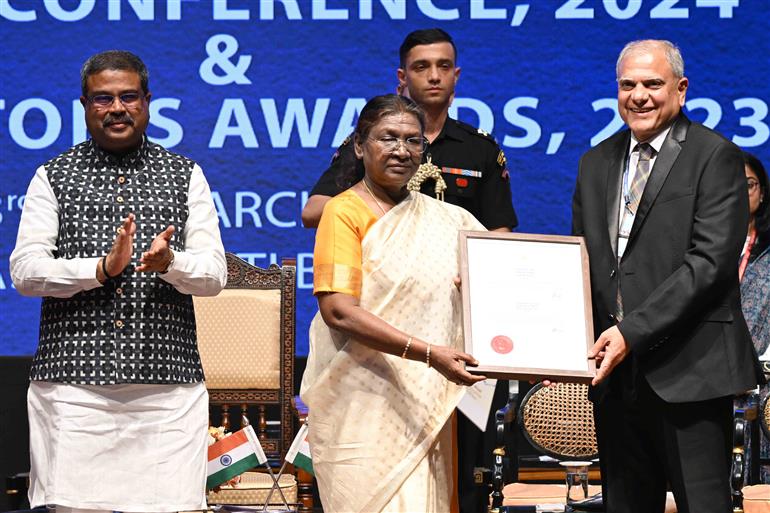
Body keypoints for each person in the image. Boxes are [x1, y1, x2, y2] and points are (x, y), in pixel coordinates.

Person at [302, 29, 517, 511]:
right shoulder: (344, 211)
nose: (400, 150)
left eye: (411, 142)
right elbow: (338, 312)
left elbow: (498, 254)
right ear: (360, 147)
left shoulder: (446, 214)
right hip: (365, 392)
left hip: (428, 396)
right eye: (387, 139)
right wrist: (427, 353)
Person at [10, 50, 227, 513]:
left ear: (148, 102)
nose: (116, 108)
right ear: (85, 105)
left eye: (128, 97)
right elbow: (25, 272)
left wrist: (170, 262)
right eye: (102, 99)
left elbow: (214, 276)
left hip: (167, 391)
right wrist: (100, 270)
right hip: (73, 391)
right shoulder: (53, 176)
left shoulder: (185, 175)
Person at [571, 40, 763, 513]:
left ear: (680, 89)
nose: (639, 95)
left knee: (702, 504)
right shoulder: (594, 162)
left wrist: (629, 332)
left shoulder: (714, 156)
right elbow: (581, 261)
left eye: (652, 84)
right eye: (627, 84)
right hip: (616, 375)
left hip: (690, 368)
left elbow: (709, 264)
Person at [301, 28, 517, 233]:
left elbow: (499, 231)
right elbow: (313, 211)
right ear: (402, 77)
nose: (434, 76)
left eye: (444, 66)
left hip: (456, 269)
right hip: (381, 265)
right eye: (421, 67)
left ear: (456, 75)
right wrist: (390, 212)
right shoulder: (374, 142)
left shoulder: (481, 148)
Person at [738, 152, 770, 482]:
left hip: (763, 381)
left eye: (748, 184)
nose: (738, 193)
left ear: (762, 193)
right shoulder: (694, 248)